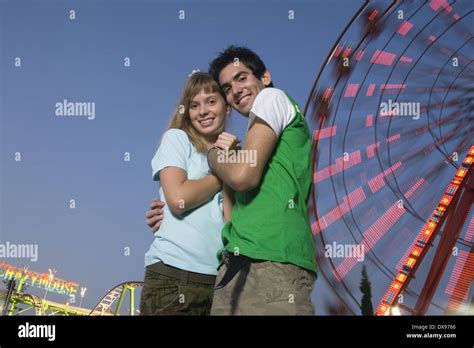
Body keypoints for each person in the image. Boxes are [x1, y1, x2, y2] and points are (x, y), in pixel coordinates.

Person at [147, 46, 316, 315]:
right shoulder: (221, 148)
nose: (235, 90)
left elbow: (241, 178)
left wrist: (217, 158)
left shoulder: (270, 99)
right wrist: (169, 213)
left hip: (265, 258)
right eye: (227, 87)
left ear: (265, 77)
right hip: (230, 265)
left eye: (242, 78)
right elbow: (228, 213)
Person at [140, 72, 233, 315]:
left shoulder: (235, 158)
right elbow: (178, 199)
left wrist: (231, 164)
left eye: (211, 101)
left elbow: (233, 223)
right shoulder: (177, 139)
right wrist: (221, 175)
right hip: (173, 276)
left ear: (228, 107)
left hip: (217, 284)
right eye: (194, 105)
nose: (203, 111)